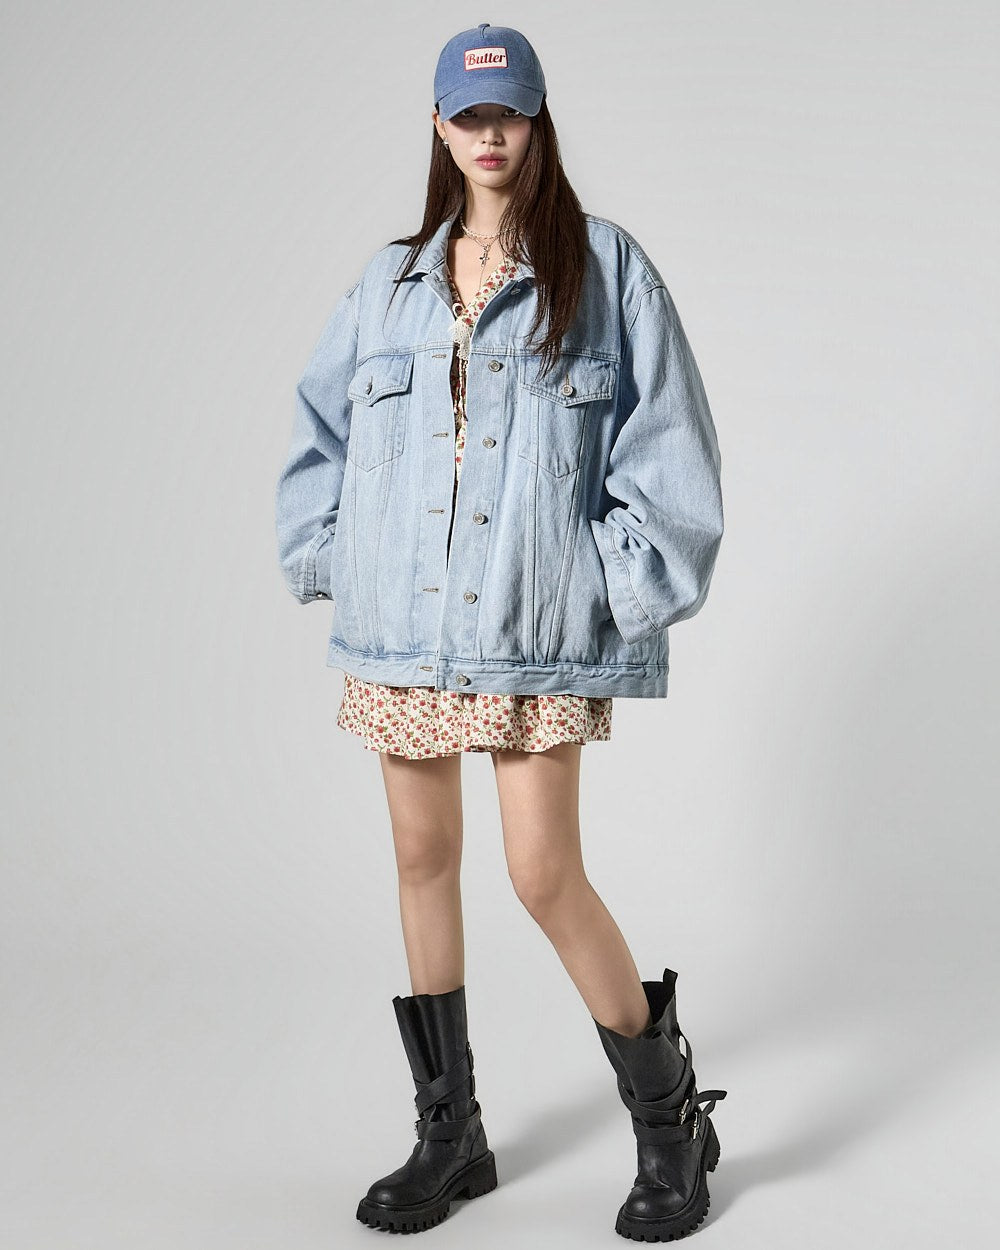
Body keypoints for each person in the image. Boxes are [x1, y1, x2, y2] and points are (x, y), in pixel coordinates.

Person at [275, 21, 728, 1242]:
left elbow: (669, 449)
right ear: (437, 124)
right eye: (467, 115)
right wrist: (336, 561)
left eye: (507, 113)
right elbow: (320, 438)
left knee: (541, 873)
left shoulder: (605, 266)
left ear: (536, 120)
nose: (488, 134)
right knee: (421, 859)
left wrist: (608, 584)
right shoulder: (388, 282)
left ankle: (671, 1122)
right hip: (406, 630)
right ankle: (451, 1134)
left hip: (531, 626)